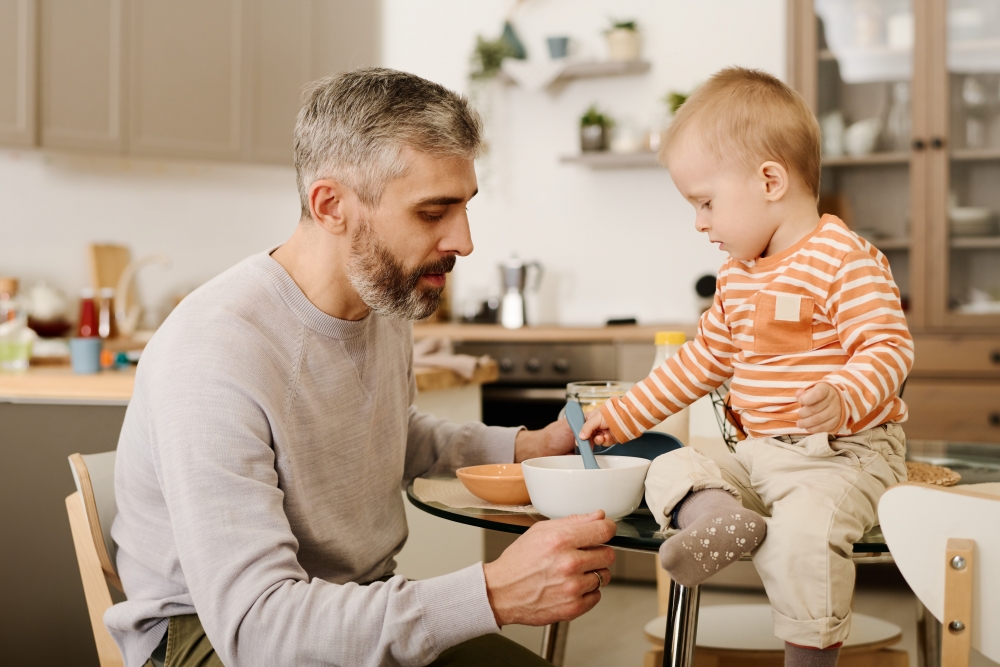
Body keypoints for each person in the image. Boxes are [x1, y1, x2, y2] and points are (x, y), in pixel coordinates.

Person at [106, 68, 617, 667]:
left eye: (465, 208)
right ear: (332, 206)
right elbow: (258, 629)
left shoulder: (381, 301)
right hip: (213, 638)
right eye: (434, 212)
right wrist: (493, 593)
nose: (465, 241)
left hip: (349, 604)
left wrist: (529, 447)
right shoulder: (214, 351)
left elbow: (386, 433)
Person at [580, 67, 912, 666]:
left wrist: (842, 394)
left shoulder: (846, 260)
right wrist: (623, 415)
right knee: (669, 465)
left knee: (805, 536)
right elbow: (701, 360)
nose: (700, 223)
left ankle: (809, 660)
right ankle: (722, 518)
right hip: (759, 454)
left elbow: (887, 349)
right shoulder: (737, 276)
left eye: (705, 202)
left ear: (769, 180)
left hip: (842, 453)